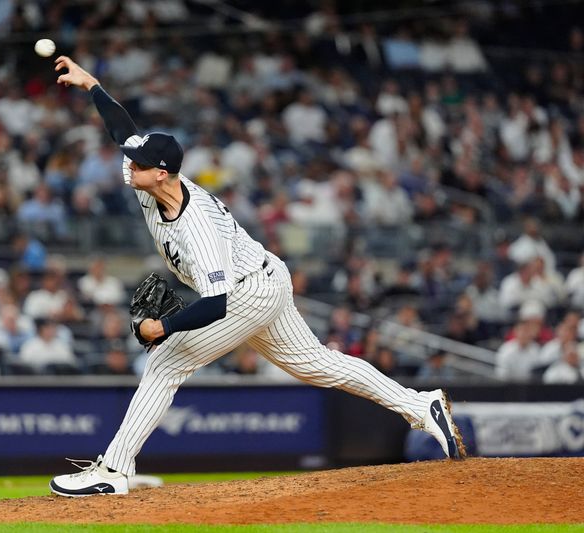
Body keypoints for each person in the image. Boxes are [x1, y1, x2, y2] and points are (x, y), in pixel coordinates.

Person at [49, 56, 465, 497]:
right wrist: (92, 84)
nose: (128, 165)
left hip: (248, 290)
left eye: (138, 163)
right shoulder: (151, 179)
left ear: (163, 172)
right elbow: (122, 128)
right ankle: (421, 405)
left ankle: (113, 470)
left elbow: (217, 304)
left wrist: (164, 326)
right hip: (265, 276)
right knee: (320, 365)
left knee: (167, 360)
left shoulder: (197, 227)